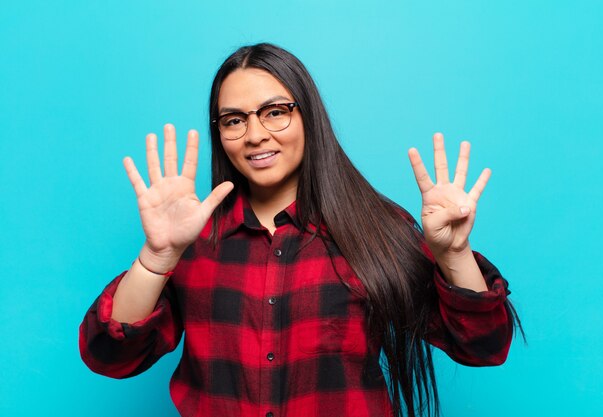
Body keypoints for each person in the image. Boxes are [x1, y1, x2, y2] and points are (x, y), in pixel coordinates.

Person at [79, 43, 521, 417]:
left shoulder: (377, 230)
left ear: (309, 116)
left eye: (275, 112)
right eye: (234, 120)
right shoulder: (192, 240)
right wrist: (157, 258)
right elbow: (111, 356)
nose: (254, 134)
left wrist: (454, 255)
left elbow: (483, 347)